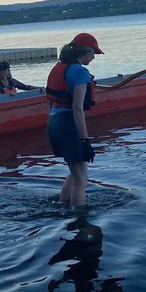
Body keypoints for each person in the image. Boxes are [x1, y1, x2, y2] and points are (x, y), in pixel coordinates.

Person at [45, 32, 104, 207]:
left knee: (78, 172)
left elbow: (50, 102)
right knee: (81, 182)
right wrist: (85, 141)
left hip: (54, 124)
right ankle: (80, 220)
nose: (94, 57)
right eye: (93, 52)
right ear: (84, 52)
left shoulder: (58, 67)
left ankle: (62, 205)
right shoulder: (80, 72)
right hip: (68, 124)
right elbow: (78, 109)